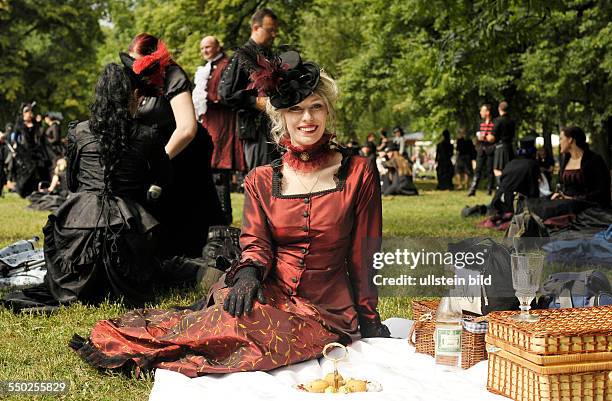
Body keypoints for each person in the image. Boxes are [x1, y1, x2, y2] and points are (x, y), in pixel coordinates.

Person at [70, 52, 391, 378]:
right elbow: (256, 244)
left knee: (249, 339)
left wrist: (368, 318)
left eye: (316, 107)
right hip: (272, 291)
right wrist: (250, 274)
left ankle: (161, 357)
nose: (307, 118)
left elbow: (365, 254)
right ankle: (137, 347)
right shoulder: (262, 180)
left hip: (327, 311)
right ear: (281, 117)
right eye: (296, 109)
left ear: (327, 111)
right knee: (226, 318)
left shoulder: (357, 172)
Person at [3, 63, 171, 311]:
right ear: (132, 96)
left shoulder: (79, 132)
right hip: (126, 239)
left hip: (77, 234)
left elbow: (73, 184)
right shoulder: (147, 134)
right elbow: (165, 177)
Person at [121, 33, 224, 258]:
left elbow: (187, 128)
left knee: (190, 206)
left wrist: (159, 162)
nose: (135, 68)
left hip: (186, 150)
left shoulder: (172, 75)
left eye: (138, 61)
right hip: (159, 149)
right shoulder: (140, 81)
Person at [193, 35, 246, 224]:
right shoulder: (207, 68)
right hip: (210, 124)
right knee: (212, 171)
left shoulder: (226, 65)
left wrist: (209, 98)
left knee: (219, 172)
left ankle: (224, 220)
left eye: (208, 47)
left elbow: (227, 94)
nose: (205, 51)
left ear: (217, 47)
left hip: (222, 125)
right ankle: (216, 219)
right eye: (202, 48)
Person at [218, 8, 280, 171]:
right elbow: (225, 94)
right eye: (270, 30)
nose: (274, 34)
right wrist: (255, 101)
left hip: (275, 128)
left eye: (275, 30)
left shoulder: (269, 55)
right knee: (261, 180)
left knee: (277, 182)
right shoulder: (242, 55)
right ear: (255, 28)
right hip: (255, 130)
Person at [527, 126, 611, 222]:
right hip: (566, 201)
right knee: (536, 203)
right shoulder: (565, 160)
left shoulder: (594, 160)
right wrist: (559, 194)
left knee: (547, 209)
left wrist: (573, 198)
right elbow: (564, 186)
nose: (560, 142)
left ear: (570, 139)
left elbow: (602, 191)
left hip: (586, 204)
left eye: (561, 139)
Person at [12, 102, 52, 197]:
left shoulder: (35, 123)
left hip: (35, 149)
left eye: (30, 112)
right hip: (23, 151)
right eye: (27, 112)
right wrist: (14, 146)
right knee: (28, 170)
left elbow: (40, 135)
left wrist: (38, 123)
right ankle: (23, 190)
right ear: (23, 113)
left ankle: (37, 189)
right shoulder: (19, 124)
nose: (29, 114)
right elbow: (14, 137)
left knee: (40, 168)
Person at [468, 103, 495, 196]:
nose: (480, 112)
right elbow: (477, 133)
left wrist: (488, 137)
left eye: (482, 110)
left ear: (487, 112)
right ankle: (473, 189)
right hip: (481, 148)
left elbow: (494, 136)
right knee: (478, 169)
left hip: (490, 148)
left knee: (489, 169)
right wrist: (480, 136)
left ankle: (489, 189)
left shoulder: (494, 123)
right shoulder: (479, 123)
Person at [492, 101, 516, 180]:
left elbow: (492, 137)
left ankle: (501, 188)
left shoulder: (497, 121)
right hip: (509, 146)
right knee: (509, 168)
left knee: (497, 170)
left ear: (499, 109)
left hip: (500, 147)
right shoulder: (512, 121)